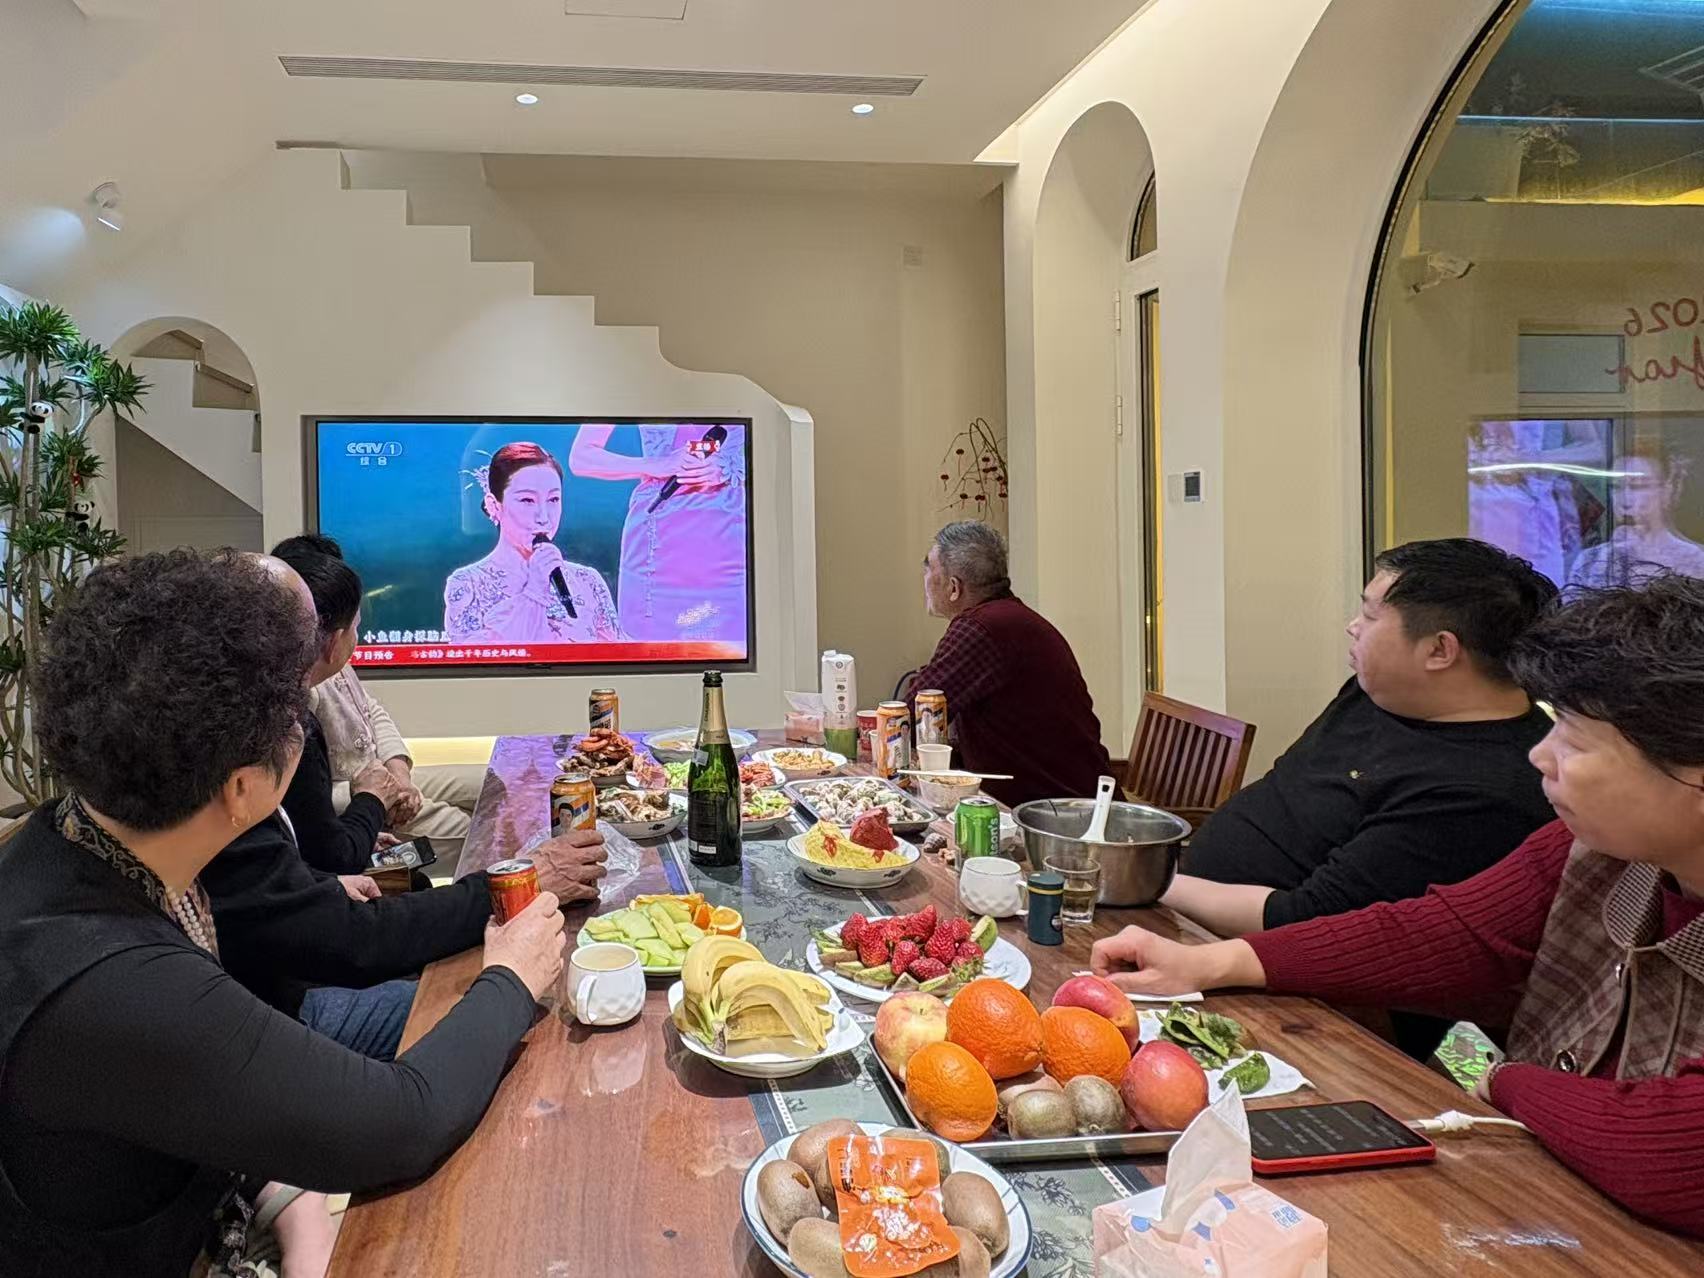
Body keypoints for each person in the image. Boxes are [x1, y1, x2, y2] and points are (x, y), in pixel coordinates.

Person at [0, 549, 568, 1278]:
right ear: (242, 788)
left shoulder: (66, 840)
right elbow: (405, 1120)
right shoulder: (119, 983)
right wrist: (511, 975)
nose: (304, 730)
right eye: (294, 719)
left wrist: (281, 1198)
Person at [1092, 576, 1704, 1238]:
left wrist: (1506, 1082)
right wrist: (1212, 964)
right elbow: (1448, 934)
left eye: (1575, 742)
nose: (1539, 756)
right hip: (1553, 1198)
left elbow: (1676, 1152)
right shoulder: (1594, 850)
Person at [1164, 539, 1558, 939]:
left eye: (1369, 615)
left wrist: (1150, 883)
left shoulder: (1483, 793)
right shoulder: (1379, 694)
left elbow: (1308, 920)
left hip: (1257, 957)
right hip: (1186, 905)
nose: (1352, 627)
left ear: (1439, 649)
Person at [274, 534, 480, 869]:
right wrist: (377, 795)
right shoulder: (295, 703)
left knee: (493, 782)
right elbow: (307, 805)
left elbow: (372, 710)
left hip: (380, 778)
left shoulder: (328, 660)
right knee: (482, 831)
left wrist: (398, 771)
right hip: (360, 802)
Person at [907, 521, 1111, 807]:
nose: (925, 577)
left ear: (954, 587)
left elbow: (910, 716)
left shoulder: (980, 628)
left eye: (928, 567)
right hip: (1076, 795)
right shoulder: (1010, 619)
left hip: (1059, 813)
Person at [269, 543, 406, 876]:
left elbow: (371, 709)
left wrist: (396, 774)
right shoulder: (291, 722)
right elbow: (330, 853)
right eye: (355, 627)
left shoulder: (276, 690)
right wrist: (371, 800)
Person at [568, 422, 748, 642]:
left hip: (727, 536)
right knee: (649, 649)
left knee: (733, 648)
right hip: (657, 534)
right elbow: (581, 458)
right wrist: (658, 464)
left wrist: (731, 465)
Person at [445, 440, 622, 644]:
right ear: (494, 505)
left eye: (553, 500)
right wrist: (535, 588)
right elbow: (473, 657)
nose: (543, 517)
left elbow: (619, 652)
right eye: (527, 500)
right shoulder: (468, 583)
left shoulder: (587, 580)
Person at [1568, 444, 1704, 588]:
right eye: (1616, 486)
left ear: (1666, 491)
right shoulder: (1589, 562)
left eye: (1638, 486)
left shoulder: (1693, 561)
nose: (1625, 499)